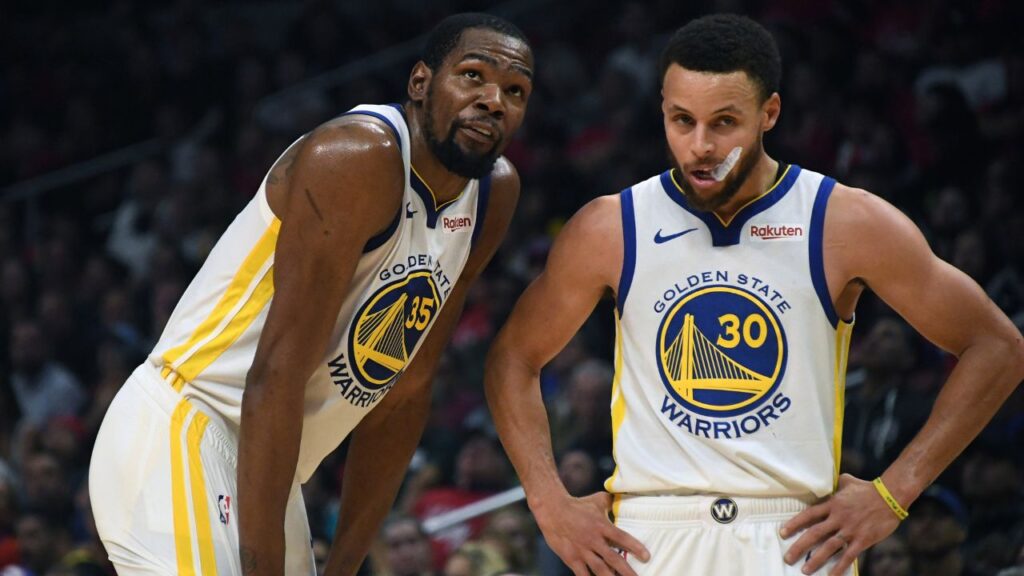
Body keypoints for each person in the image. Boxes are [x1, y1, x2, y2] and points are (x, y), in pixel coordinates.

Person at [484, 13, 1024, 576]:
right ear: (662, 111)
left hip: (795, 534)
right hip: (649, 534)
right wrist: (549, 505)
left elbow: (997, 346)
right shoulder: (611, 226)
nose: (700, 146)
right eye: (682, 120)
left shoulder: (844, 220)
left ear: (770, 113)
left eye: (724, 122)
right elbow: (512, 358)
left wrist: (894, 493)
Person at [88, 12, 533, 575]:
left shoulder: (492, 196)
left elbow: (404, 394)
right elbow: (276, 373)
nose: (494, 101)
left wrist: (345, 564)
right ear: (420, 82)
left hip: (272, 468)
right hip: (187, 426)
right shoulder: (356, 157)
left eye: (515, 91)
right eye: (473, 76)